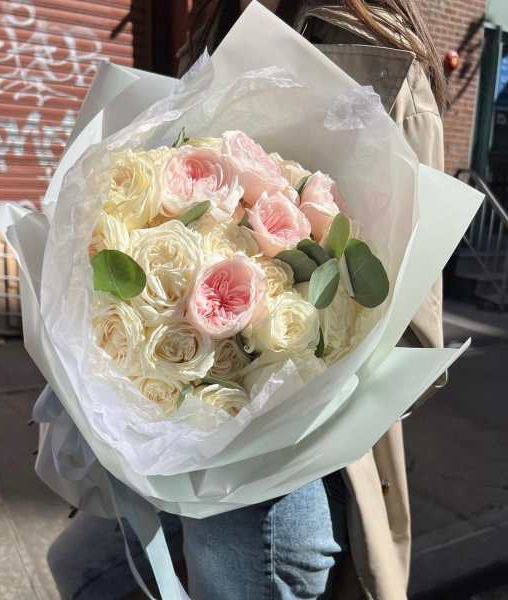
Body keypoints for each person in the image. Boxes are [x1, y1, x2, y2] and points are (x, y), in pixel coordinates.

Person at [175, 2, 446, 599]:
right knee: (86, 566)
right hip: (175, 415)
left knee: (267, 557)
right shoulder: (212, 31)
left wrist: (279, 343)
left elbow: (413, 330)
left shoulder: (378, 54)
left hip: (288, 446)